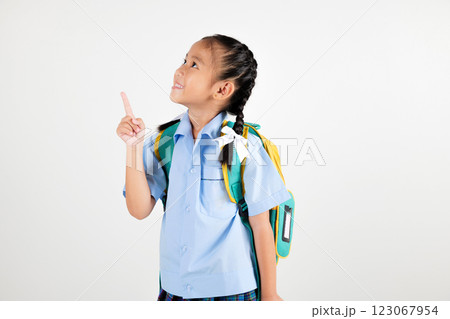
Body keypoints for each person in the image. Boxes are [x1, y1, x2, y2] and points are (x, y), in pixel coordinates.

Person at [116, 34, 291, 301]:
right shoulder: (165, 141)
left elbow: (261, 226)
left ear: (222, 89)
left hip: (231, 292)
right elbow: (139, 209)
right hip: (174, 289)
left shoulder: (245, 145)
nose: (180, 69)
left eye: (194, 65)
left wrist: (269, 295)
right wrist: (133, 147)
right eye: (184, 60)